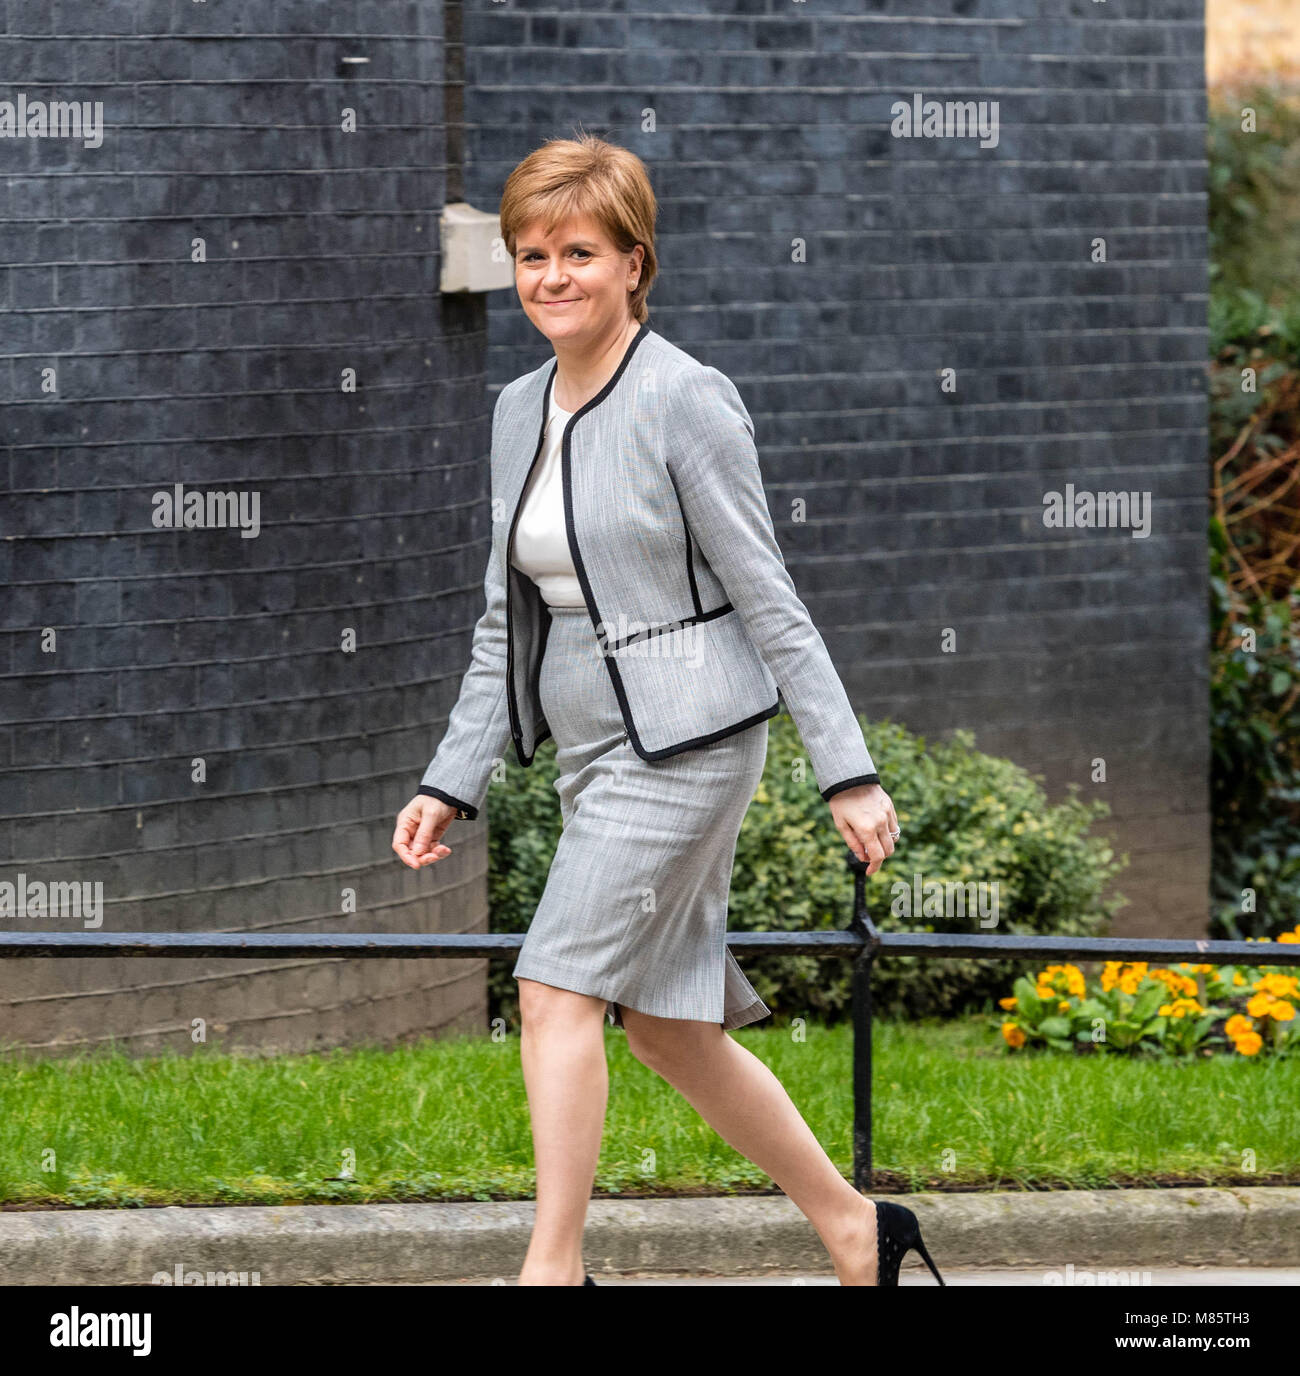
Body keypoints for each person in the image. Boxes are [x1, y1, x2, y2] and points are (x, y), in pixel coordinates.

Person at [393, 135, 943, 1288]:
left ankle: (555, 1269)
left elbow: (769, 598)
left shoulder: (686, 399)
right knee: (665, 1027)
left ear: (634, 263)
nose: (551, 277)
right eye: (531, 255)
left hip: (690, 739)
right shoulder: (513, 409)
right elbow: (506, 621)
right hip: (592, 747)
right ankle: (858, 1229)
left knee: (553, 988)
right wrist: (454, 776)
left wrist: (844, 768)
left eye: (579, 253)